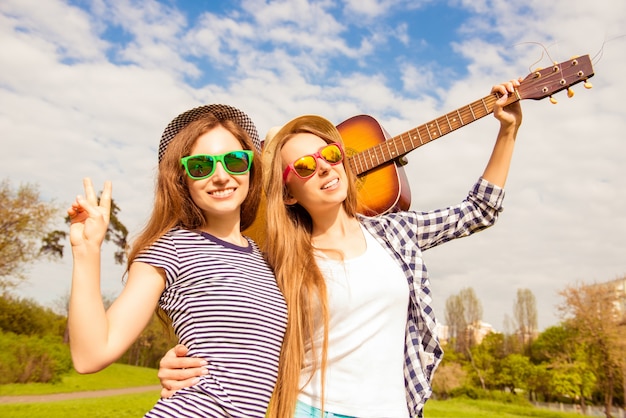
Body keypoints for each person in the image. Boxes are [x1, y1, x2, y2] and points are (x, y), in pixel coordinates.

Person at [158, 79, 523, 417]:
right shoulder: (275, 260)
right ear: (287, 194)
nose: (323, 168)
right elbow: (226, 324)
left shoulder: (396, 233)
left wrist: (507, 131)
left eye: (331, 155)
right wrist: (179, 362)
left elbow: (478, 211)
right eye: (303, 166)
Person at [67, 104, 288, 418]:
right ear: (181, 179)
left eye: (235, 160)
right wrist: (86, 250)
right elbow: (91, 355)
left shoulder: (266, 258)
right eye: (201, 166)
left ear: (251, 168)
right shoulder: (171, 247)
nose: (222, 176)